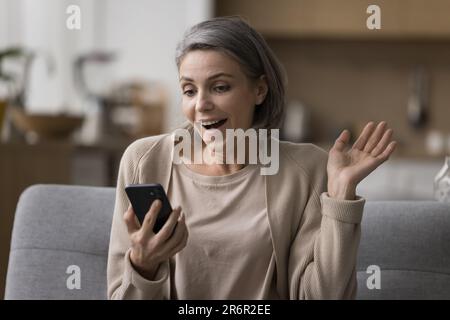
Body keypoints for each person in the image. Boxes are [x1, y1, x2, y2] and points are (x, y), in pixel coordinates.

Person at [107, 16, 396, 300]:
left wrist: (341, 195)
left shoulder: (306, 170)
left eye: (220, 87)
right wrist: (142, 266)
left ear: (259, 90)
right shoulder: (145, 160)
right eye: (189, 90)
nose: (201, 105)